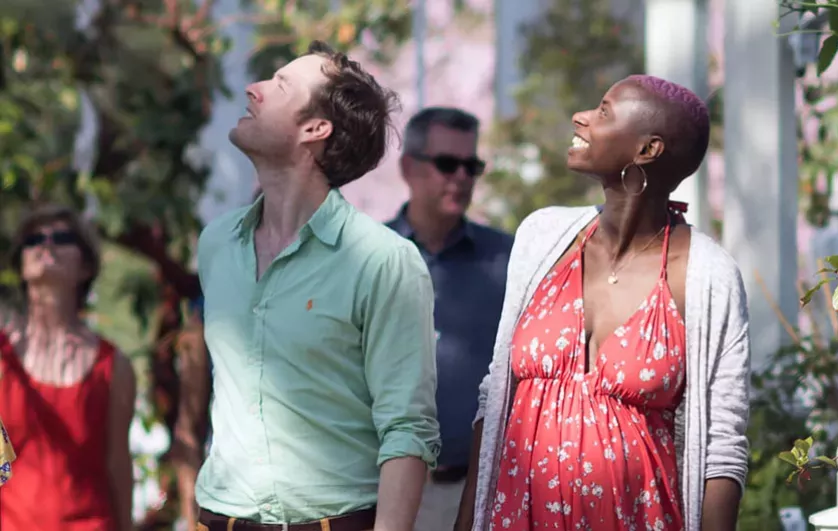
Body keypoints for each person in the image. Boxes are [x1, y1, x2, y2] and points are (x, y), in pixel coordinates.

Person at [455, 75, 750, 531]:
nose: (582, 117)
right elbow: (494, 395)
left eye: (605, 112)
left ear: (647, 150)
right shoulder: (542, 238)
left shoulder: (708, 274)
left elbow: (721, 445)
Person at [194, 40, 440, 531]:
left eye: (279, 84)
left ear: (315, 129)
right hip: (218, 518)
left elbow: (408, 430)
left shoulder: (383, 261)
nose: (253, 89)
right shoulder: (217, 243)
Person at [385, 108, 513, 531]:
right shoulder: (368, 257)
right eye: (446, 163)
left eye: (470, 166)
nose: (460, 177)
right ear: (409, 167)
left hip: (475, 494)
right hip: (380, 489)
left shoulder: (508, 260)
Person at [0, 205, 136, 531]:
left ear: (86, 265)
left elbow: (117, 464)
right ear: (20, 264)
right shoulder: (2, 359)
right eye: (33, 240)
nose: (45, 245)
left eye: (61, 237)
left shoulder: (114, 366)